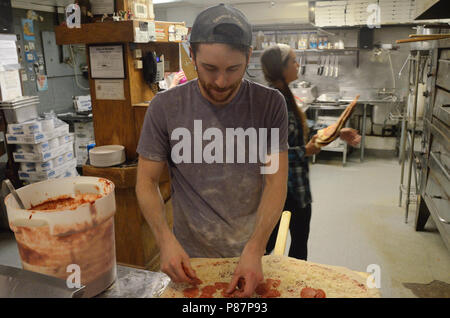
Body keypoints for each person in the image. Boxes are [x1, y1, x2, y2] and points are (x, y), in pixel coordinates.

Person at [135, 4, 289, 298]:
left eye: (233, 69)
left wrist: (256, 247)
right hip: (189, 257)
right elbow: (146, 182)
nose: (221, 82)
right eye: (209, 69)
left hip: (253, 250)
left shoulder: (269, 105)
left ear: (249, 56)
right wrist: (164, 240)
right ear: (191, 56)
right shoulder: (165, 107)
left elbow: (275, 181)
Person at [260, 44, 361, 260]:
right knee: (265, 247)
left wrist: (336, 131)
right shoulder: (271, 102)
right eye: (294, 61)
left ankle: (297, 289)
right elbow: (266, 152)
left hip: (298, 188)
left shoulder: (286, 96)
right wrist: (304, 151)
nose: (298, 65)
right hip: (279, 190)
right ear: (281, 67)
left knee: (298, 243)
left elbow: (303, 129)